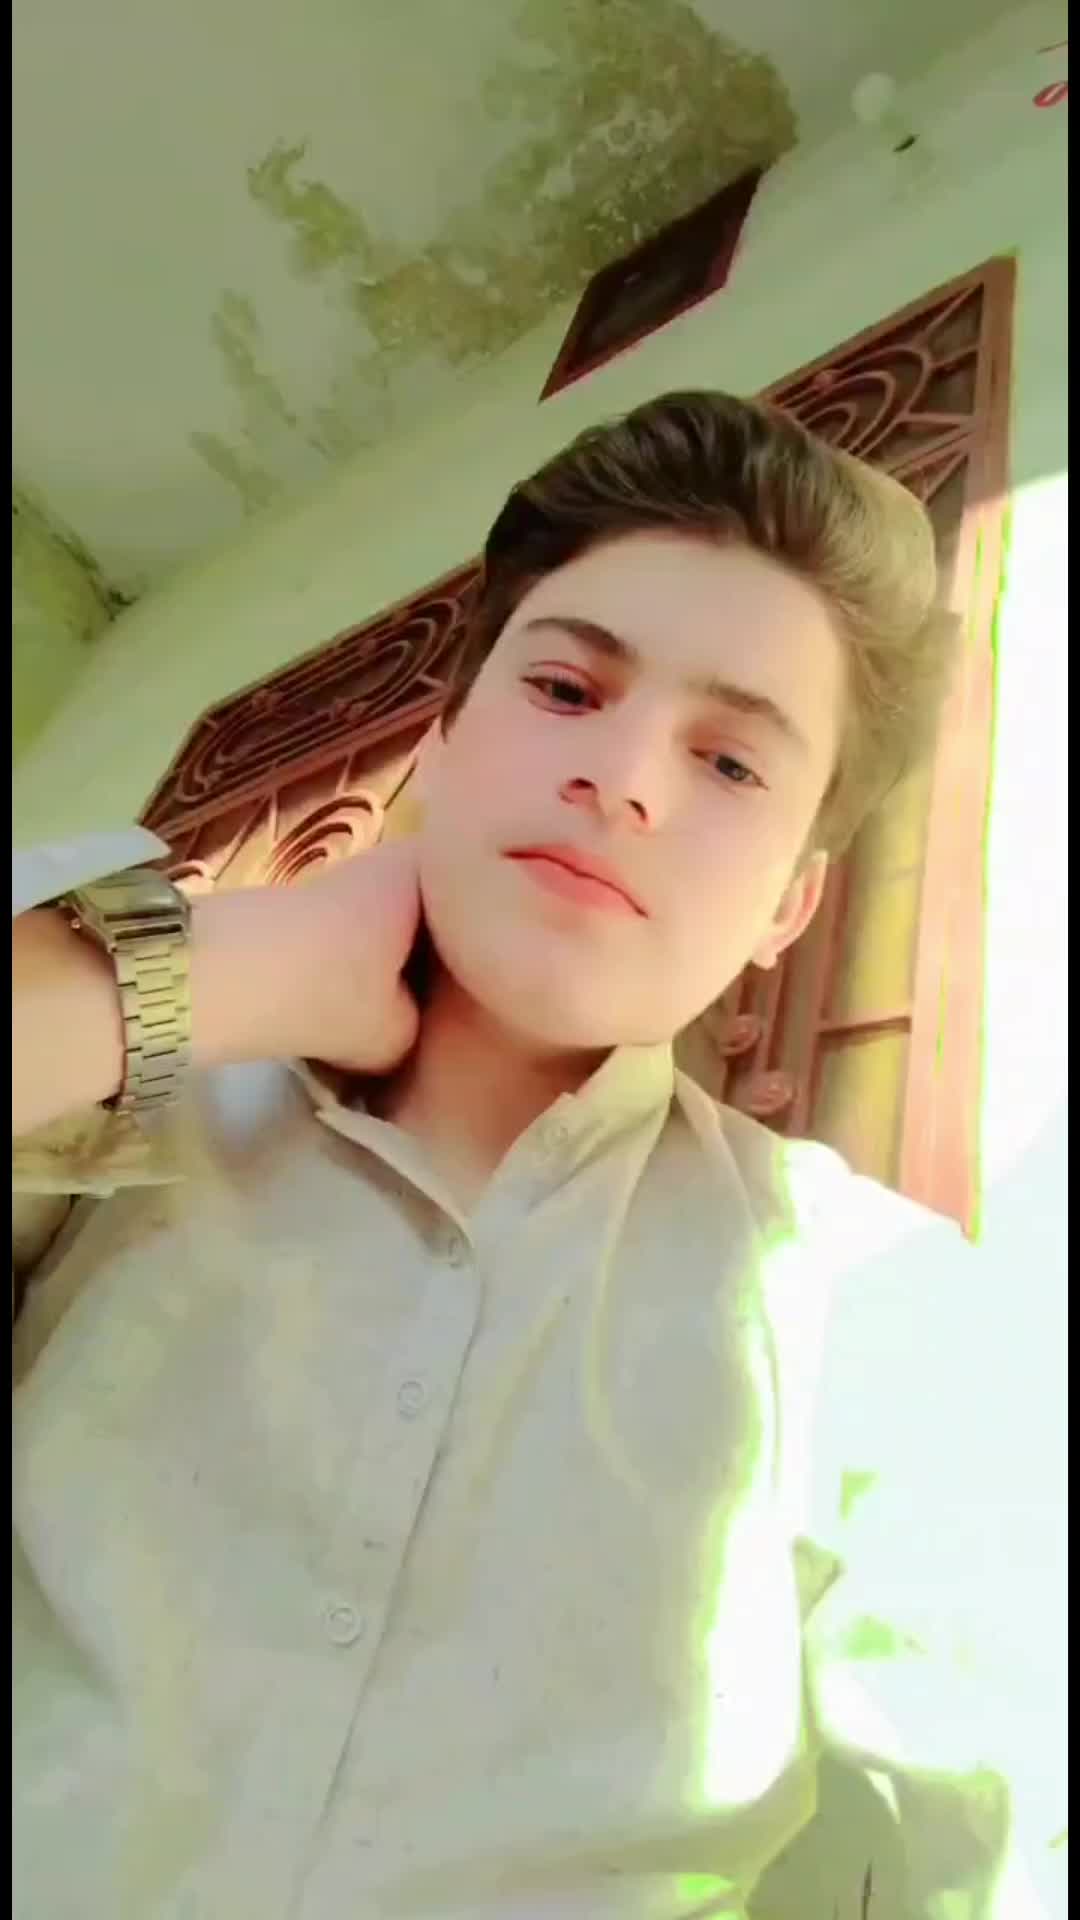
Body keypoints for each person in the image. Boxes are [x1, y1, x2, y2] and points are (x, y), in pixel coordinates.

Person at [12, 393, 1049, 1919]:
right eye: (566, 688)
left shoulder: (864, 1294)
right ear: (441, 745)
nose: (625, 777)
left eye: (731, 765)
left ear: (788, 906)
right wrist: (221, 972)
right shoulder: (118, 1067)